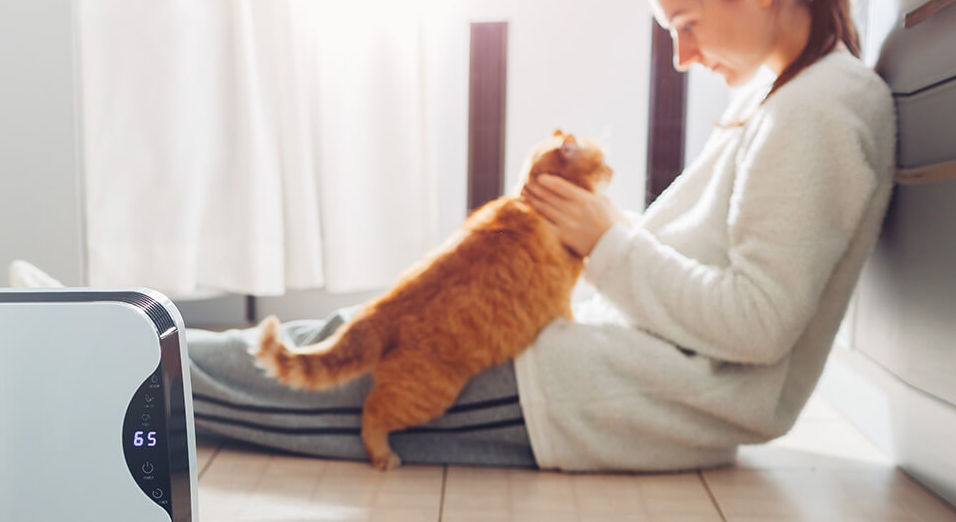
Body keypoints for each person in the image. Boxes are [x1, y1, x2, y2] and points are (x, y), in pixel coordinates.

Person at [186, 0, 896, 470]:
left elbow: (759, 323)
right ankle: (123, 338)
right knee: (346, 332)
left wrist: (604, 240)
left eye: (686, 21)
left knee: (299, 384)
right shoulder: (787, 102)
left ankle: (119, 354)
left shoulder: (819, 112)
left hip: (600, 392)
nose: (681, 56)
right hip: (594, 365)